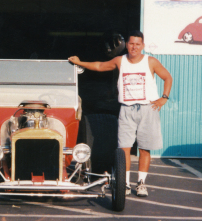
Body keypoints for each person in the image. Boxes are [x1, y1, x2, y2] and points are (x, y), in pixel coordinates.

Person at [68, 30, 172, 197]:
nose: (134, 47)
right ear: (126, 45)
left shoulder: (150, 61)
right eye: (131, 44)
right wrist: (80, 62)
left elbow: (167, 77)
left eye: (138, 44)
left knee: (145, 149)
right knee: (124, 148)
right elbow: (99, 66)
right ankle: (125, 184)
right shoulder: (120, 60)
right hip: (126, 109)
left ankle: (141, 184)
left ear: (143, 46)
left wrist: (164, 98)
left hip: (147, 108)